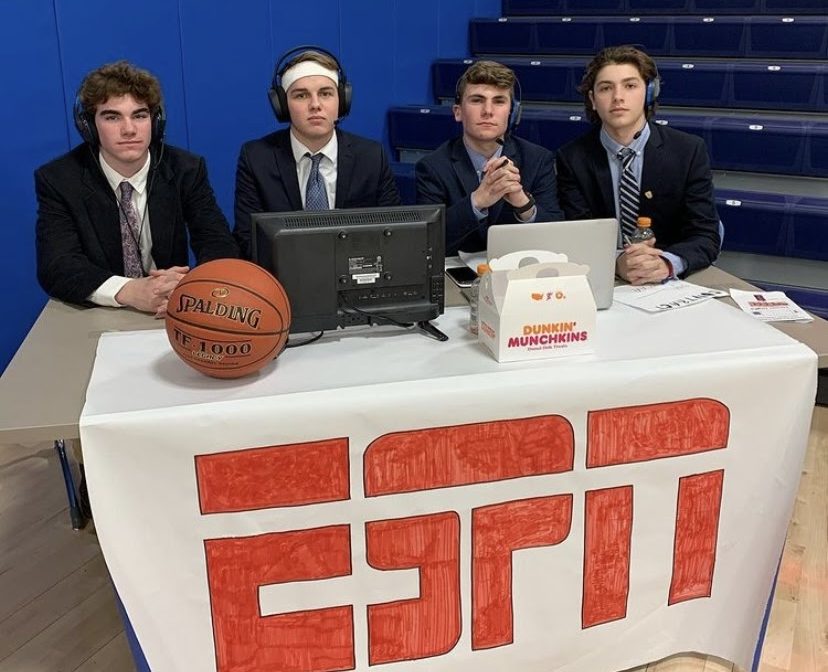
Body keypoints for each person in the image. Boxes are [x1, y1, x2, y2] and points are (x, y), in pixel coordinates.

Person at [35, 61, 239, 315]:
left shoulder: (186, 169)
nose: (129, 129)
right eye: (112, 117)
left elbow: (218, 242)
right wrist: (130, 291)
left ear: (156, 122)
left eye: (140, 116)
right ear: (88, 125)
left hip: (170, 307)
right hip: (98, 311)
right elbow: (58, 265)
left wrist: (192, 286)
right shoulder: (59, 179)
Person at [556, 45, 721, 284]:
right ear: (592, 100)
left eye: (630, 86)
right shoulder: (571, 159)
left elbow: (705, 235)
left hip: (670, 282)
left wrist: (666, 263)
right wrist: (616, 262)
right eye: (605, 88)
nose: (618, 97)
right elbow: (577, 237)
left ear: (649, 93)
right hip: (602, 278)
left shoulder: (688, 151)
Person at [234, 47, 400, 259]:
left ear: (342, 100)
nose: (315, 105)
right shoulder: (256, 158)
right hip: (284, 277)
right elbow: (247, 238)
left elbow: (393, 232)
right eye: (301, 95)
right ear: (282, 106)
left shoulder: (371, 156)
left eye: (325, 93)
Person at [415, 60, 563, 256]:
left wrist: (523, 203)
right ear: (458, 112)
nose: (488, 111)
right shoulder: (433, 167)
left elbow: (557, 237)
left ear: (512, 112)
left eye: (499, 101)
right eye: (477, 100)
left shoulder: (537, 159)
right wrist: (476, 201)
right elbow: (426, 242)